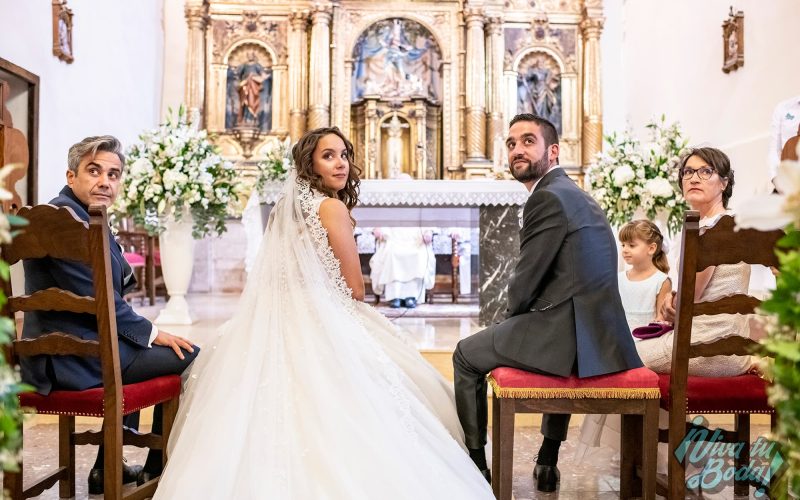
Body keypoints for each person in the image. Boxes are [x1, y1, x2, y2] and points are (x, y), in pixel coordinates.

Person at [153, 127, 494, 499]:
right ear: (310, 164)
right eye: (329, 155)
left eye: (344, 154)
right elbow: (355, 289)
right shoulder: (331, 207)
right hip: (321, 314)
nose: (341, 163)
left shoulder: (286, 208)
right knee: (409, 387)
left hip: (281, 315)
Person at [452, 114, 642, 492]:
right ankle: (547, 459)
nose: (517, 150)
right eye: (510, 144)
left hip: (566, 335)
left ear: (552, 151)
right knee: (522, 333)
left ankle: (475, 465)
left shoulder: (547, 197)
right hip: (598, 335)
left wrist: (508, 324)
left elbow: (526, 279)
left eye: (527, 141)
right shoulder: (574, 193)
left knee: (464, 356)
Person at [20, 136, 200, 493]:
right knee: (188, 356)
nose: (105, 181)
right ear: (71, 176)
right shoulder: (67, 222)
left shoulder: (72, 215)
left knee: (137, 350)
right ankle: (156, 465)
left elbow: (109, 288)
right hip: (73, 359)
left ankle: (106, 468)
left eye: (114, 174)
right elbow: (99, 296)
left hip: (67, 352)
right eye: (94, 171)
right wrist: (152, 332)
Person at [642, 147, 756, 377]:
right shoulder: (730, 223)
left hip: (703, 347)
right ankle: (683, 415)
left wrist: (668, 303)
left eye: (706, 171)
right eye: (688, 172)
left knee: (618, 356)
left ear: (724, 183)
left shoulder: (713, 229)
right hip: (734, 348)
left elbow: (686, 301)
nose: (694, 178)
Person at [617, 220, 672, 332]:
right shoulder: (618, 279)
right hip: (621, 339)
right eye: (623, 245)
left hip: (647, 339)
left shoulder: (661, 281)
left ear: (651, 248)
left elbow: (661, 320)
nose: (625, 250)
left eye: (631, 245)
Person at [369, 226, 435, 308]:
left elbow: (427, 226)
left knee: (418, 255)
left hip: (416, 242)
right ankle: (394, 297)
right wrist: (379, 230)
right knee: (391, 254)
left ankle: (411, 296)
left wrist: (428, 232)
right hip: (394, 242)